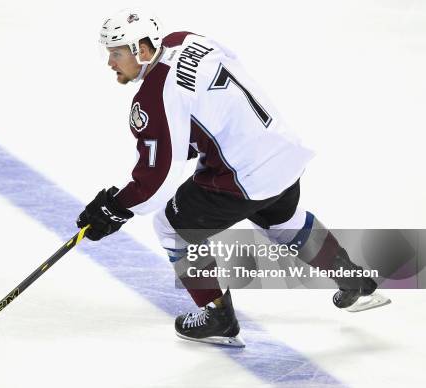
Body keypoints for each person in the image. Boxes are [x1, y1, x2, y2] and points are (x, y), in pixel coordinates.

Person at [76, 8, 390, 347]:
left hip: (243, 176)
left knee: (171, 225)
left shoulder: (154, 96)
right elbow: (219, 90)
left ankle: (217, 315)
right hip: (281, 151)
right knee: (284, 221)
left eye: (117, 52)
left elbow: (157, 182)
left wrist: (113, 208)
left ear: (141, 49)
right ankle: (352, 279)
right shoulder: (187, 40)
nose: (111, 61)